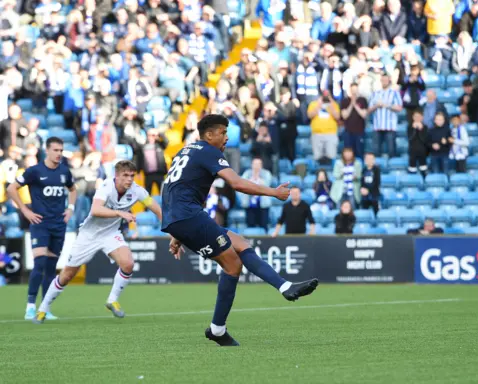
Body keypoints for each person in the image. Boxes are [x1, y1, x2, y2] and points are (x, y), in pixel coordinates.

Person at [161, 114, 318, 346]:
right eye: (223, 132)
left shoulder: (185, 151)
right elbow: (237, 183)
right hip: (187, 216)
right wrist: (273, 192)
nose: (227, 137)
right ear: (209, 135)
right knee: (233, 264)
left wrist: (176, 231)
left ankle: (284, 287)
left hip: (180, 217)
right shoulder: (208, 151)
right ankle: (217, 329)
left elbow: (176, 189)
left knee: (240, 243)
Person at [32, 161, 163, 323]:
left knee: (128, 264)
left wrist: (168, 227)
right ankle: (43, 309)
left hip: (110, 234)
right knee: (67, 275)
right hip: (89, 235)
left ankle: (112, 300)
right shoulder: (107, 187)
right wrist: (120, 214)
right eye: (125, 175)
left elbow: (155, 207)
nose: (129, 179)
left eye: (132, 176)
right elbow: (95, 210)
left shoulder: (137, 190)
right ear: (117, 175)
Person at [6, 137, 76, 321]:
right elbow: (11, 188)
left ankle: (45, 308)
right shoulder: (35, 171)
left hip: (58, 225)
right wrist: (25, 210)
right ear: (47, 151)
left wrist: (71, 209)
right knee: (39, 264)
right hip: (40, 224)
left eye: (61, 150)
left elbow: (73, 189)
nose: (59, 154)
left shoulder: (64, 171)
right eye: (56, 150)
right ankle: (30, 307)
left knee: (52, 268)